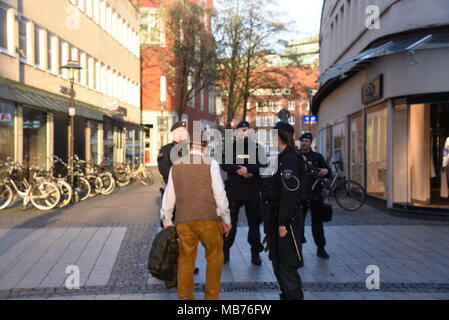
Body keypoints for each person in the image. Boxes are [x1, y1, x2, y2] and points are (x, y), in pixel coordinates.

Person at [160, 139, 232, 300]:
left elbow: (169, 195)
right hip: (209, 220)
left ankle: (185, 299)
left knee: (185, 260)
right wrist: (226, 218)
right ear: (204, 148)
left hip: (184, 220)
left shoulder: (177, 165)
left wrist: (167, 219)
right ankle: (211, 297)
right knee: (214, 258)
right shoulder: (210, 163)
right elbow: (219, 194)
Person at [265, 121, 305, 300]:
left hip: (287, 221)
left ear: (280, 137)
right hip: (276, 218)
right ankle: (287, 295)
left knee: (287, 265)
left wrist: (283, 222)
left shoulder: (290, 160)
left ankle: (294, 297)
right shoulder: (281, 158)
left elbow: (290, 195)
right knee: (277, 262)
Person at [221, 120, 268, 265]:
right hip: (234, 191)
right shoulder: (231, 148)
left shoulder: (257, 148)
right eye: (241, 131)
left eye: (246, 130)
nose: (244, 133)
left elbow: (264, 165)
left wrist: (249, 170)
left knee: (254, 224)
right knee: (230, 223)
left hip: (252, 191)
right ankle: (225, 250)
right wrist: (238, 170)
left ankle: (255, 253)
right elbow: (224, 164)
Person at [298, 131, 332, 259]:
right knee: (299, 224)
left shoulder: (317, 157)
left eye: (307, 141)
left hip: (315, 194)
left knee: (317, 224)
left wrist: (325, 171)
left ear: (310, 142)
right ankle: (298, 250)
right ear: (300, 142)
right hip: (301, 195)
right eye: (302, 141)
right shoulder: (296, 156)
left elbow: (328, 172)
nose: (304, 143)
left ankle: (321, 248)